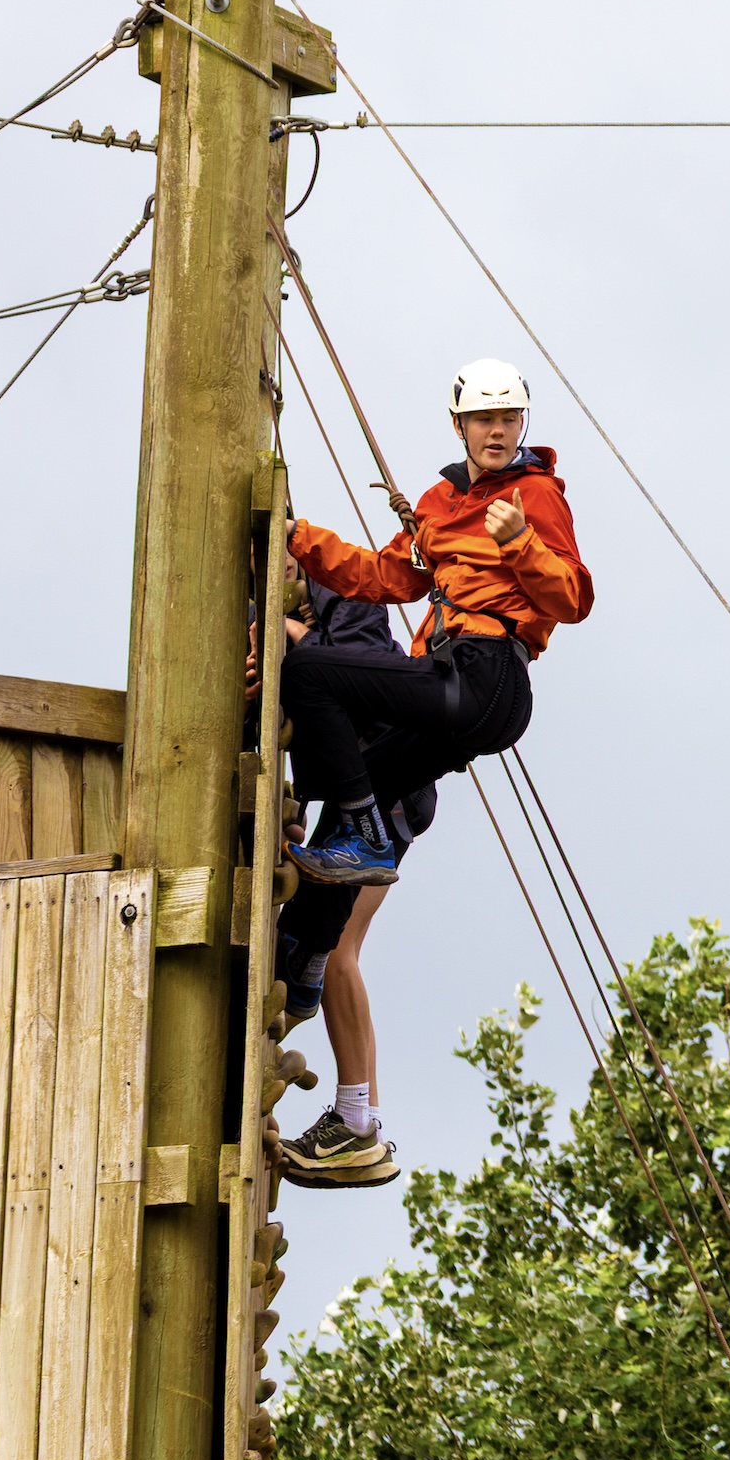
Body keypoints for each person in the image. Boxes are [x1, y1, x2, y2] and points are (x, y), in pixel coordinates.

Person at [274, 357, 594, 1187]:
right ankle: (309, 1000)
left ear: (521, 425)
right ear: (458, 426)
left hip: (488, 674)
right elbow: (389, 579)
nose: (497, 431)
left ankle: (354, 841)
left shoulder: (536, 499)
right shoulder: (439, 505)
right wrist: (296, 539)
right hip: (454, 680)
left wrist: (521, 544)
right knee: (354, 805)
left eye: (509, 419)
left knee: (313, 680)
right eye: (484, 419)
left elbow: (572, 598)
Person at [268, 565, 439, 1190]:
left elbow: (362, 674)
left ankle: (357, 1118)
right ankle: (305, 973)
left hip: (388, 786)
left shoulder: (348, 596)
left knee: (343, 949)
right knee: (313, 943)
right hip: (356, 793)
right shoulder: (305, 608)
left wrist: (287, 633)